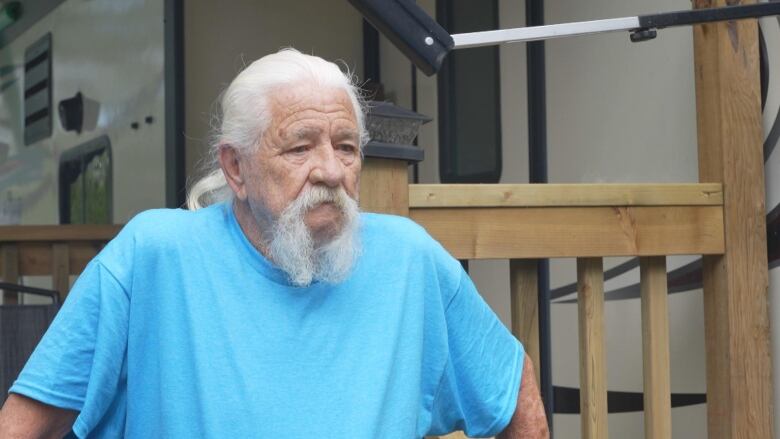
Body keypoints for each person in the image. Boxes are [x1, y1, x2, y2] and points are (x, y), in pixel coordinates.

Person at [0, 49, 548, 438]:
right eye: (300, 148)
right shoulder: (153, 257)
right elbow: (25, 426)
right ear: (235, 168)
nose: (330, 170)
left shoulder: (409, 259)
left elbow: (511, 385)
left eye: (347, 147)